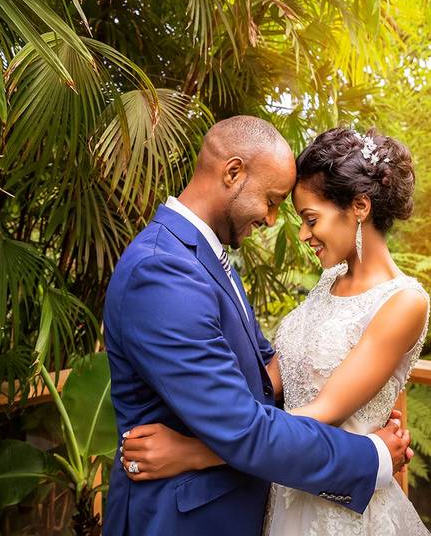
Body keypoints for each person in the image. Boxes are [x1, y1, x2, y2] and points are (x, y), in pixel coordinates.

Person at [102, 117, 414, 536]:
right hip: (181, 517)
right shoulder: (163, 270)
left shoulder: (202, 256)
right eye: (271, 201)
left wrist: (194, 451)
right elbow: (244, 427)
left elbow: (261, 369)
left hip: (264, 498)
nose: (272, 220)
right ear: (232, 172)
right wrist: (371, 455)